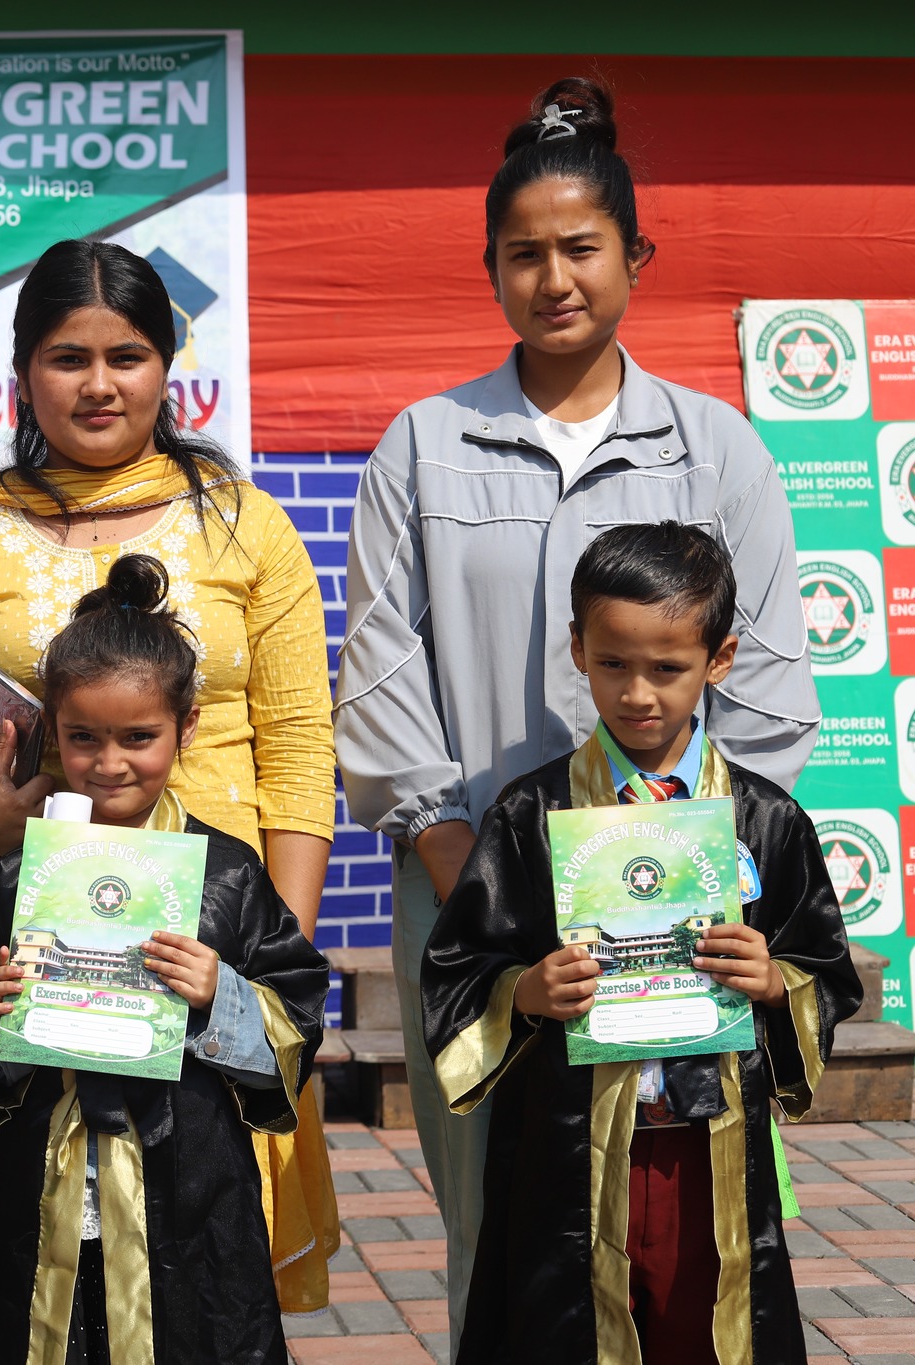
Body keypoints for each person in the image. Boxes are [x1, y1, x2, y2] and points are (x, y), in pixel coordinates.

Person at [334, 77, 820, 1326]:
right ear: (489, 268)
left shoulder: (715, 448)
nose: (552, 279)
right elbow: (379, 677)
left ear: (634, 257)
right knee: (495, 1228)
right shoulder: (421, 446)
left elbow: (766, 683)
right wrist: (467, 873)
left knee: (684, 1225)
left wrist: (689, 870)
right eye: (522, 254)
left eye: (581, 248)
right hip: (474, 908)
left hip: (675, 917)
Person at [0, 238, 338, 1333]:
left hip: (204, 957)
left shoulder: (245, 525)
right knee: (32, 1258)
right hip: (32, 956)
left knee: (201, 1256)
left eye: (126, 356)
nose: (98, 384)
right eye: (66, 357)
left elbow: (298, 752)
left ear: (167, 364)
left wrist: (266, 971)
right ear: (23, 371)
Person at [421, 523, 858, 1363]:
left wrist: (775, 981)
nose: (637, 693)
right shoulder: (532, 815)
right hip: (569, 1155)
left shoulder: (763, 819)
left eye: (668, 668)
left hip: (708, 1150)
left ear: (719, 659)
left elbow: (826, 972)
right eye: (613, 663)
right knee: (569, 1335)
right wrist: (525, 990)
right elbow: (458, 969)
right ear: (577, 650)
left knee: (710, 1330)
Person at [0, 554, 329, 1363]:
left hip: (191, 1184)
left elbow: (299, 1014)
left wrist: (221, 992)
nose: (110, 763)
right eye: (83, 738)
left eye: (139, 737)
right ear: (52, 730)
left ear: (187, 726)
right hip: (48, 1179)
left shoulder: (227, 873)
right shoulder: (21, 875)